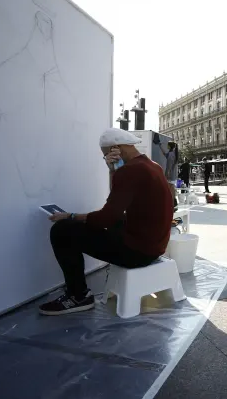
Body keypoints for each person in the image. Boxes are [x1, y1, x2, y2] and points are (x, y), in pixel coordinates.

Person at [39, 128, 173, 316]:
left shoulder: (131, 170)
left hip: (138, 253)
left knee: (62, 231)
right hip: (155, 246)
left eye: (105, 155)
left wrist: (70, 216)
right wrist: (113, 171)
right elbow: (117, 204)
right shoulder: (152, 165)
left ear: (115, 149)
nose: (105, 158)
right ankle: (77, 293)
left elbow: (106, 218)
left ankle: (78, 296)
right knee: (92, 224)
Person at [158, 141, 179, 210]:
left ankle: (172, 204)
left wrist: (167, 175)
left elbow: (169, 166)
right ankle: (174, 203)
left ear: (169, 146)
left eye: (167, 145)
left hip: (170, 175)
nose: (167, 146)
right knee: (171, 189)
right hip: (174, 174)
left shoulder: (171, 154)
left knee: (170, 190)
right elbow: (165, 154)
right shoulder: (173, 153)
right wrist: (160, 146)